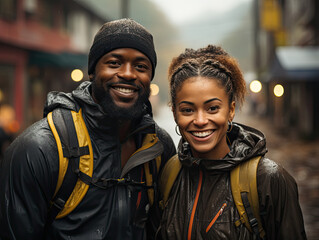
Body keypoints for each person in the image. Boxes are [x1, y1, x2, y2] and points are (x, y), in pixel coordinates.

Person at [0, 18, 176, 239]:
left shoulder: (159, 148)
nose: (128, 74)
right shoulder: (38, 149)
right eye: (114, 63)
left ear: (149, 77)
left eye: (141, 66)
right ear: (92, 72)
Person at [157, 45, 307, 239]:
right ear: (174, 113)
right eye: (187, 110)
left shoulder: (269, 180)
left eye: (212, 108)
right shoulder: (170, 174)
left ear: (231, 110)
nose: (200, 120)